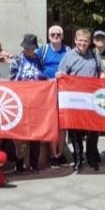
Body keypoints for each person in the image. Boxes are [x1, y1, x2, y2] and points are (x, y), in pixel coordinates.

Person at [56, 29, 102, 172]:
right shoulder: (68, 56)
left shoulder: (95, 56)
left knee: (93, 131)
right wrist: (59, 76)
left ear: (90, 42)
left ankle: (92, 157)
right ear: (75, 41)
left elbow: (101, 73)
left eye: (86, 41)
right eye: (80, 40)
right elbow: (60, 73)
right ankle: (78, 159)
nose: (83, 43)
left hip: (92, 99)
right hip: (75, 99)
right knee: (75, 132)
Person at [9, 34, 46, 172]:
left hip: (35, 101)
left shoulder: (39, 60)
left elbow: (43, 77)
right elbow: (12, 80)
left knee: (36, 133)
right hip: (21, 101)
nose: (29, 50)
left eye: (31, 48)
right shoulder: (17, 60)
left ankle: (34, 164)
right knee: (21, 135)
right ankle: (19, 165)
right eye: (27, 48)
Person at [37, 26, 68, 166]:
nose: (55, 36)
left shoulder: (68, 51)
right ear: (48, 36)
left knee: (62, 124)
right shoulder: (42, 51)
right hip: (47, 92)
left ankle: (60, 153)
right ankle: (53, 153)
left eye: (58, 34)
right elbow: (29, 57)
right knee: (51, 122)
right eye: (52, 34)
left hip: (64, 91)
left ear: (62, 36)